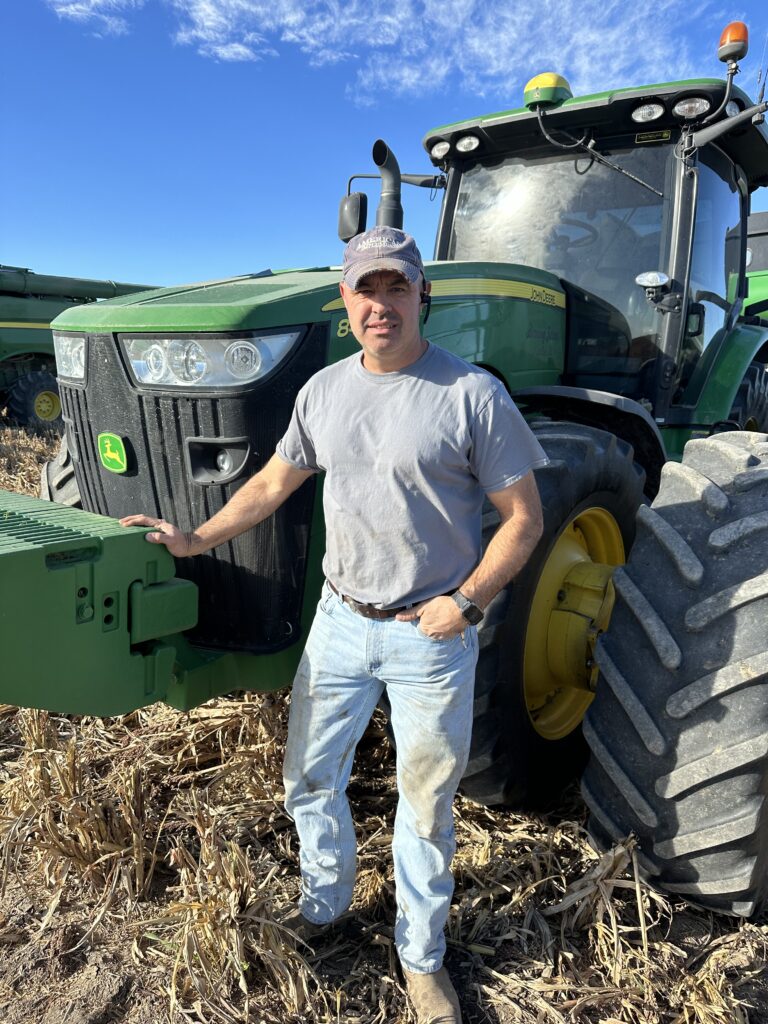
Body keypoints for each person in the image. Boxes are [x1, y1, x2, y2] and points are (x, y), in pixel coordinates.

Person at [120, 226, 547, 1024]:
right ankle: (325, 906)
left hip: (434, 636)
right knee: (310, 778)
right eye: (365, 289)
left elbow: (523, 519)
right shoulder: (323, 391)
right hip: (341, 621)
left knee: (425, 807)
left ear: (423, 294)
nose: (379, 304)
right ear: (346, 301)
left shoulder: (471, 395)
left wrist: (468, 602)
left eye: (395, 288)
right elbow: (270, 486)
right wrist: (194, 539)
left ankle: (422, 961)